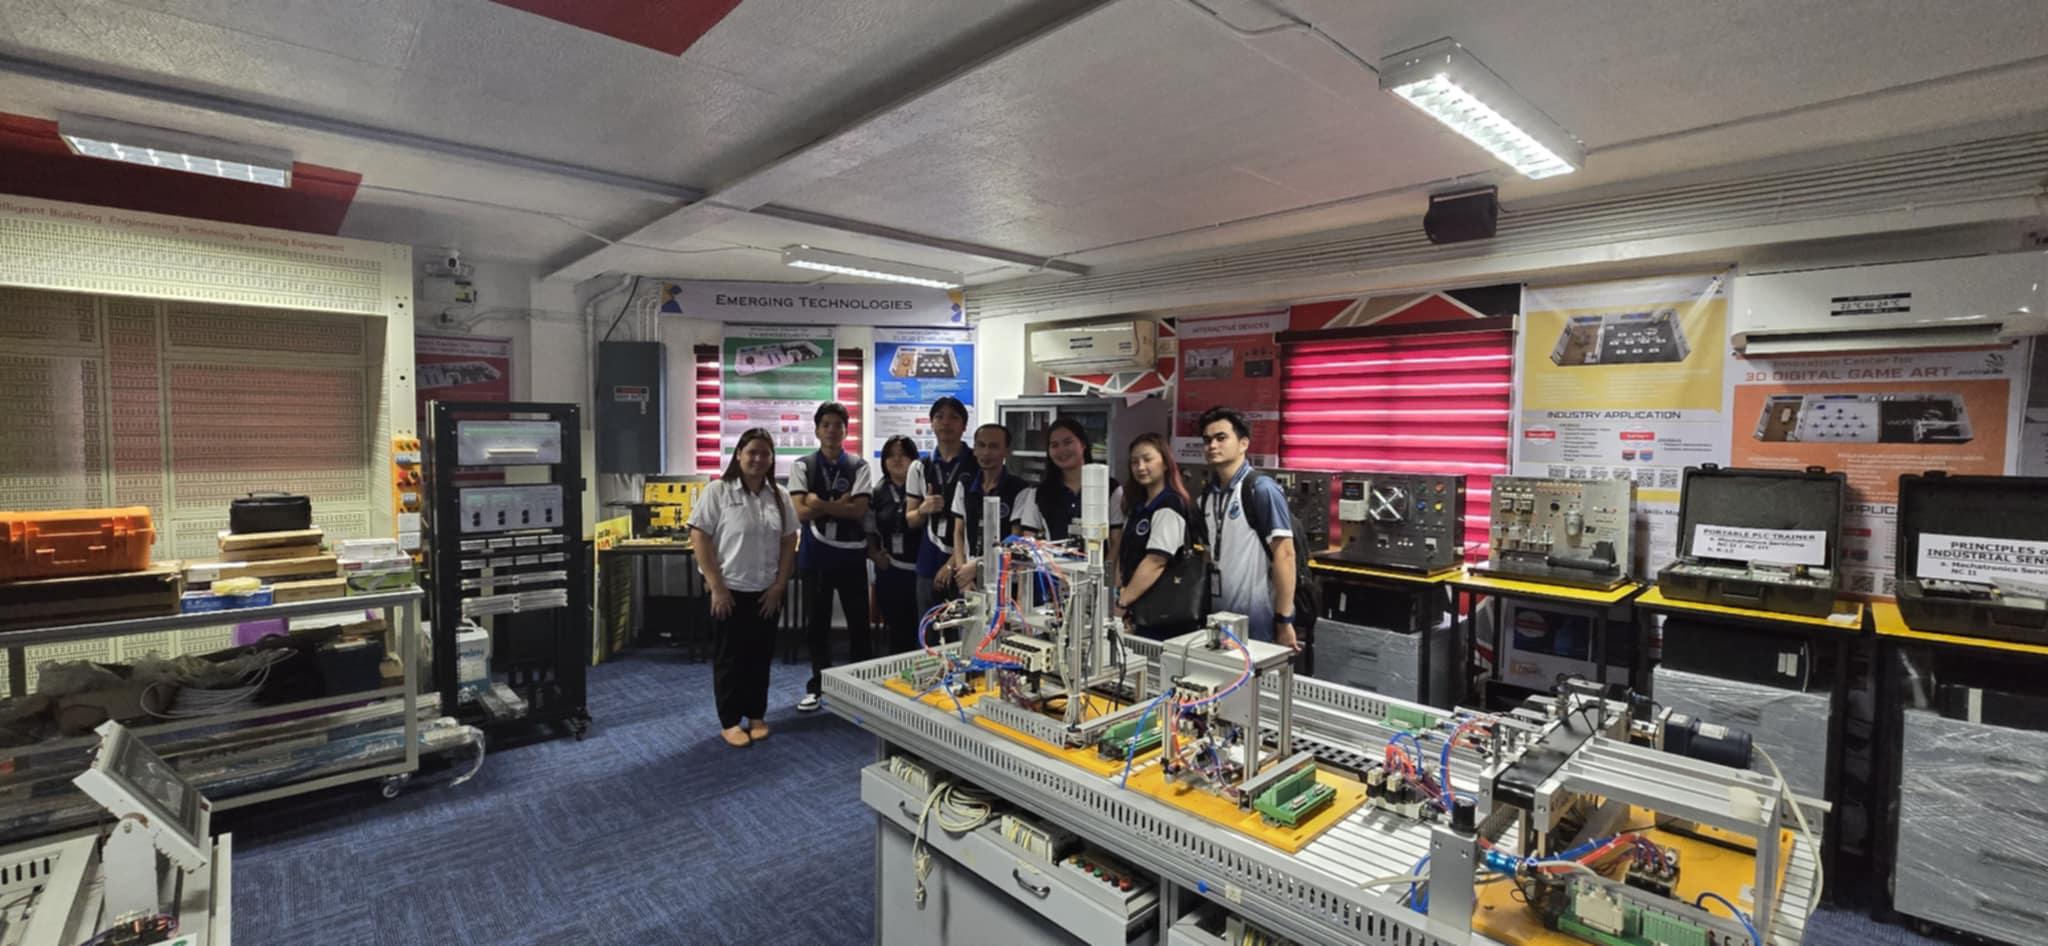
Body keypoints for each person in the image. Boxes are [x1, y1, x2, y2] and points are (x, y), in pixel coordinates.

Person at [686, 427, 799, 748]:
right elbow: (700, 537)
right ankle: (730, 720)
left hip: (766, 592)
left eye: (765, 453)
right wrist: (716, 587)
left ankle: (756, 715)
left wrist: (779, 586)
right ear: (738, 455)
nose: (758, 459)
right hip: (729, 592)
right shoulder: (718, 492)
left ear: (772, 459)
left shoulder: (779, 495)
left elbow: (789, 541)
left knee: (760, 657)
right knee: (729, 658)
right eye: (752, 452)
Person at [789, 402, 873, 713]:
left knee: (859, 626)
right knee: (817, 627)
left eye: (838, 425)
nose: (832, 430)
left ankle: (860, 687)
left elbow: (859, 510)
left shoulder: (859, 466)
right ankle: (818, 686)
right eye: (826, 424)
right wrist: (839, 504)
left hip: (851, 558)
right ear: (817, 429)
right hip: (815, 558)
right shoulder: (803, 465)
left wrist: (818, 502)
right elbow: (799, 511)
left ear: (846, 430)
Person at [1195, 407, 1299, 650]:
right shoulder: (1206, 498)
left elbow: (1285, 554)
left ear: (1243, 443)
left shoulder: (1261, 489)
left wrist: (1284, 620)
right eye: (1207, 440)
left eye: (1221, 438)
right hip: (1218, 621)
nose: (1212, 445)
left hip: (1258, 621)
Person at [1112, 433, 1196, 640]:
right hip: (1138, 611)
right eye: (1134, 462)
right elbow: (1124, 555)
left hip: (1164, 617)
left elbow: (1156, 561)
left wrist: (1122, 601)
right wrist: (1117, 593)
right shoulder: (1138, 506)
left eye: (1147, 459)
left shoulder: (1170, 505)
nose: (1140, 467)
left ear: (1166, 463)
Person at [1015, 417, 1125, 561]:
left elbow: (1117, 542)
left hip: (1097, 575)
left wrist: (1105, 579)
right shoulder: (1038, 494)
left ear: (1083, 444)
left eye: (1068, 442)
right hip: (1054, 575)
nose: (1061, 450)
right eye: (1054, 445)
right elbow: (1030, 541)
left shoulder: (1110, 488)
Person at [905, 396, 973, 613]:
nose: (946, 423)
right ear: (931, 423)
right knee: (929, 631)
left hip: (966, 563)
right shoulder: (919, 467)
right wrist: (923, 510)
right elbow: (911, 520)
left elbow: (977, 523)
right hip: (928, 561)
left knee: (966, 632)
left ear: (964, 425)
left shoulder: (976, 464)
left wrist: (952, 563)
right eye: (939, 417)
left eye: (954, 418)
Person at [949, 423, 1030, 592]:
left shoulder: (1020, 489)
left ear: (1006, 451)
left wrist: (980, 565)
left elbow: (1015, 539)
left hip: (1005, 576)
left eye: (994, 446)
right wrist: (962, 573)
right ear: (974, 449)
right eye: (981, 445)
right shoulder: (965, 484)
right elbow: (958, 531)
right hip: (968, 575)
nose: (986, 453)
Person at [867, 434, 925, 654]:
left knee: (921, 629)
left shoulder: (924, 488)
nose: (897, 460)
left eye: (903, 455)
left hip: (921, 571)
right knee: (897, 630)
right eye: (890, 456)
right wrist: (874, 553)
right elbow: (869, 529)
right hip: (891, 570)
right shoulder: (877, 492)